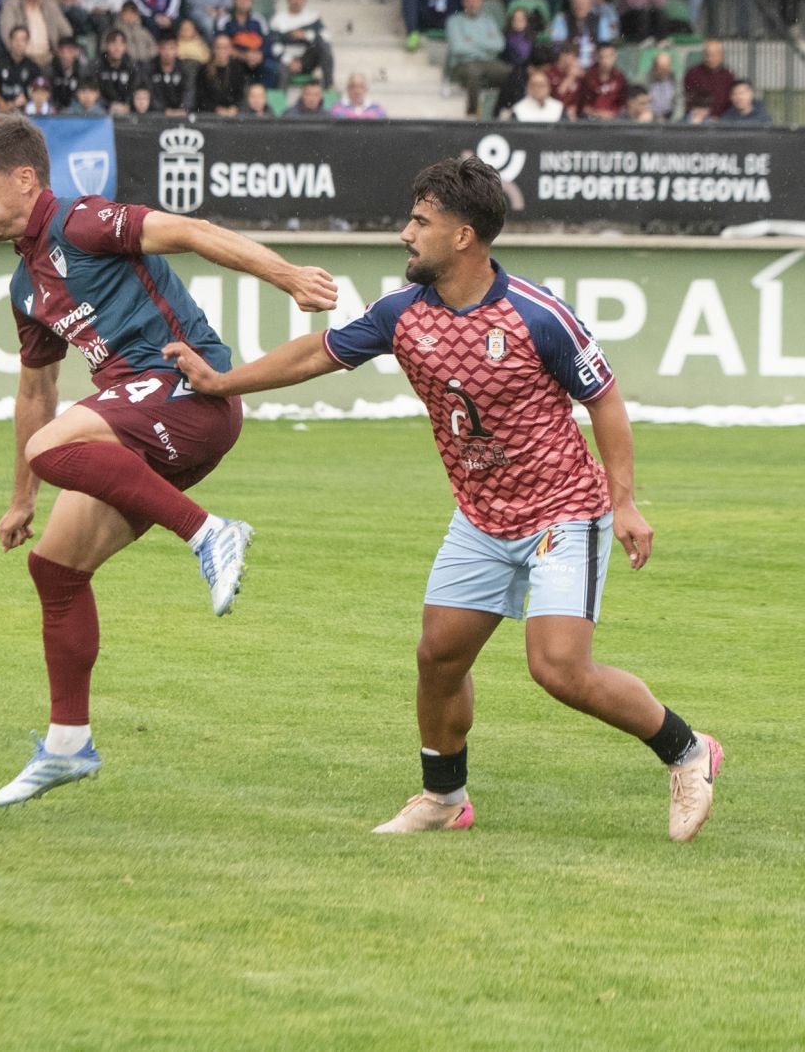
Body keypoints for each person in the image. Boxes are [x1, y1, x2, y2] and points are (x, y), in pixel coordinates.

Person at [165, 156, 723, 839]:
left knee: (558, 668)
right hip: (481, 519)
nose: (406, 233)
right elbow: (318, 352)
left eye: (421, 222)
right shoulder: (402, 315)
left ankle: (689, 751)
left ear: (463, 237)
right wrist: (223, 385)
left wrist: (626, 502)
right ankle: (444, 798)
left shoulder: (536, 315)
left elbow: (603, 398)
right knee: (439, 657)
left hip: (563, 512)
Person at [0, 114, 336, 807]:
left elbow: (190, 231)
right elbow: (36, 390)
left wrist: (288, 277)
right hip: (141, 425)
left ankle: (210, 532)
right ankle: (68, 745)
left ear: (25, 178)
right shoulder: (25, 289)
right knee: (56, 569)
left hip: (190, 390)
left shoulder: (82, 222)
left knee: (54, 445)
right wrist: (22, 500)